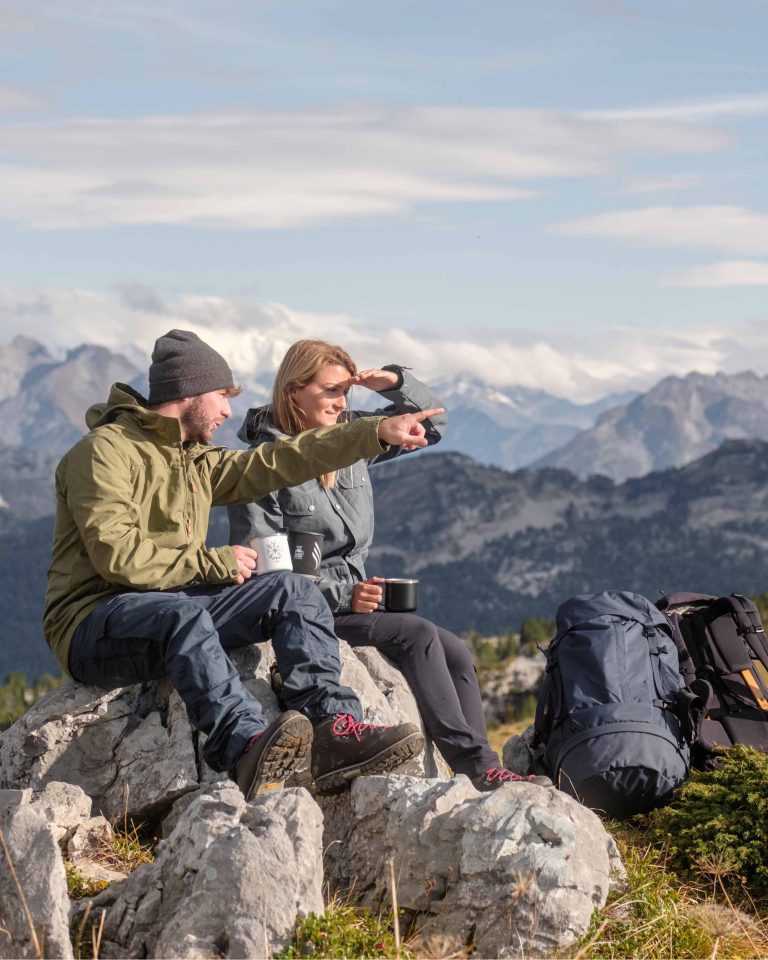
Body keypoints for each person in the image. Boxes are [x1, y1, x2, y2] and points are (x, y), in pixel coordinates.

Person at [44, 329, 443, 800]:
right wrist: (215, 562)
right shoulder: (102, 453)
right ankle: (247, 745)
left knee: (294, 589)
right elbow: (119, 558)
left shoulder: (193, 460)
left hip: (163, 606)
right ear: (188, 393)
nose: (229, 411)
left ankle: (335, 729)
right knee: (183, 613)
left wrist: (371, 432)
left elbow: (276, 461)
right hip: (93, 622)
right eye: (221, 397)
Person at [228, 339, 550, 791]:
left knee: (455, 650)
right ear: (294, 391)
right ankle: (477, 768)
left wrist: (394, 382)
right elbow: (268, 569)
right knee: (414, 633)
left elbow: (430, 425)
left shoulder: (351, 436)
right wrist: (344, 595)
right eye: (331, 392)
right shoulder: (262, 466)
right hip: (307, 615)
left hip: (357, 602)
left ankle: (491, 766)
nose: (342, 404)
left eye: (347, 393)